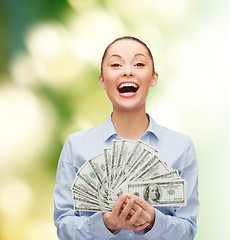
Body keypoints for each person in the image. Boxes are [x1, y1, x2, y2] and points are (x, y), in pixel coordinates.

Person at [54, 36, 199, 239]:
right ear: (102, 81)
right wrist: (106, 225)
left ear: (153, 78)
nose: (128, 70)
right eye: (116, 64)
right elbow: (64, 227)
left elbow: (188, 230)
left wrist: (154, 223)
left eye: (139, 64)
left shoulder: (181, 147)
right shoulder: (76, 145)